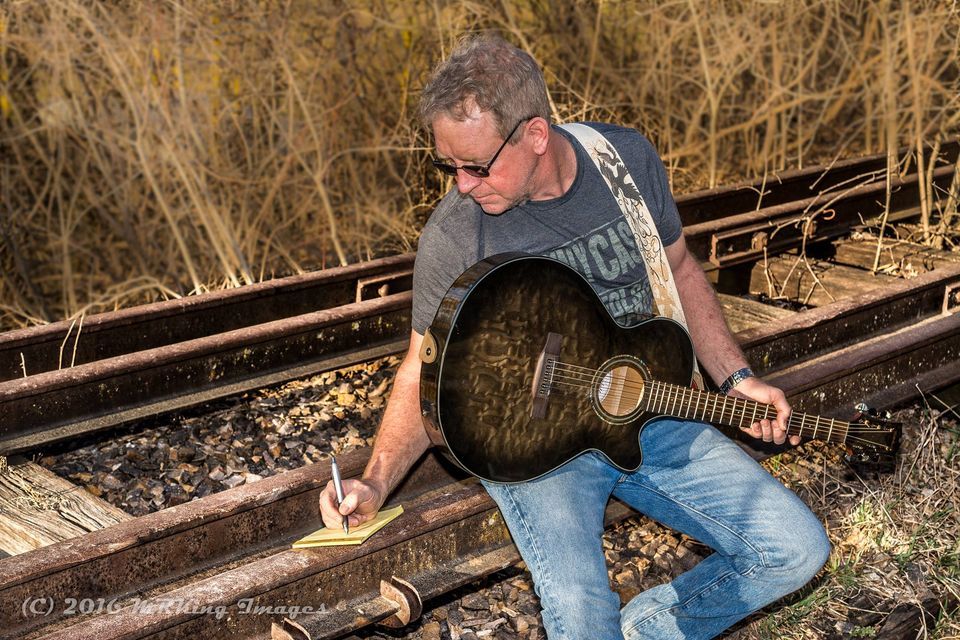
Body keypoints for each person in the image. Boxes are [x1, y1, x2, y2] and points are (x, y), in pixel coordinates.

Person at [318, 34, 830, 639]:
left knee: (794, 548)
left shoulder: (624, 162)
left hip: (649, 408)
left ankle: (648, 630)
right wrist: (375, 480)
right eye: (447, 166)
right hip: (533, 444)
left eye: (476, 166)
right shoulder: (454, 237)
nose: (461, 185)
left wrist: (737, 379)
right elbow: (420, 367)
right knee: (583, 616)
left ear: (536, 134)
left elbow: (682, 271)